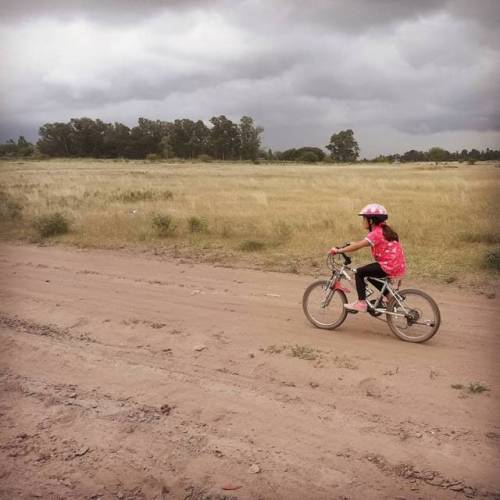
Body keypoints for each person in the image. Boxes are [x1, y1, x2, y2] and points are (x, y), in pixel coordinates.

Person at [330, 203, 406, 312]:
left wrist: (338, 250)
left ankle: (361, 303)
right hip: (396, 265)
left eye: (364, 219)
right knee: (370, 275)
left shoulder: (375, 233)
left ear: (371, 221)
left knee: (360, 272)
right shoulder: (384, 230)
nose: (363, 222)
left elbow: (358, 246)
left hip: (387, 266)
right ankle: (390, 298)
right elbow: (364, 243)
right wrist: (353, 243)